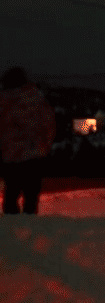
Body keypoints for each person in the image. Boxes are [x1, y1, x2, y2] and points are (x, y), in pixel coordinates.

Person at [0, 67, 57, 215]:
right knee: (31, 197)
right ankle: (29, 224)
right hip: (35, 154)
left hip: (10, 155)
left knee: (11, 195)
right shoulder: (37, 99)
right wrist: (44, 147)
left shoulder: (4, 101)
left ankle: (11, 226)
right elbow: (49, 125)